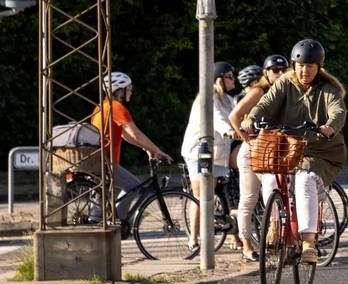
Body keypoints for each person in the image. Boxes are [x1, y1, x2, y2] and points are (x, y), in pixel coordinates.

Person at [231, 40, 346, 264]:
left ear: (319, 67)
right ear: (294, 65)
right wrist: (252, 119)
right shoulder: (285, 83)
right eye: (300, 65)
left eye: (310, 66)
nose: (304, 71)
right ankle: (274, 225)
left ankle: (308, 242)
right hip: (284, 146)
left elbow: (338, 110)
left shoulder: (329, 89)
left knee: (304, 180)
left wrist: (329, 126)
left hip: (319, 150)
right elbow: (265, 104)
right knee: (269, 178)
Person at [92, 71, 172, 223]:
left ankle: (113, 218)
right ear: (119, 89)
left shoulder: (102, 106)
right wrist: (158, 151)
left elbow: (125, 135)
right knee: (134, 186)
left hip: (98, 160)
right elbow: (135, 133)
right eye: (129, 88)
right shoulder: (116, 107)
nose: (131, 91)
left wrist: (147, 149)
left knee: (104, 203)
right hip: (106, 163)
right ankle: (119, 220)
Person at [227, 60, 287, 261]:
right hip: (252, 150)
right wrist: (248, 141)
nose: (279, 73)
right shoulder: (259, 91)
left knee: (276, 188)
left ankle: (278, 235)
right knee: (249, 199)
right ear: (266, 72)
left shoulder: (281, 90)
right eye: (274, 70)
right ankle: (246, 245)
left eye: (282, 69)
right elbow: (234, 116)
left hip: (270, 148)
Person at [179, 61, 239, 255]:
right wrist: (229, 130)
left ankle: (227, 232)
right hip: (200, 151)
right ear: (219, 78)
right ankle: (194, 240)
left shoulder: (228, 100)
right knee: (200, 195)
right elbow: (217, 119)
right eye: (229, 76)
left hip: (218, 154)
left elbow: (235, 116)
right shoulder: (208, 98)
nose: (233, 79)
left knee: (211, 195)